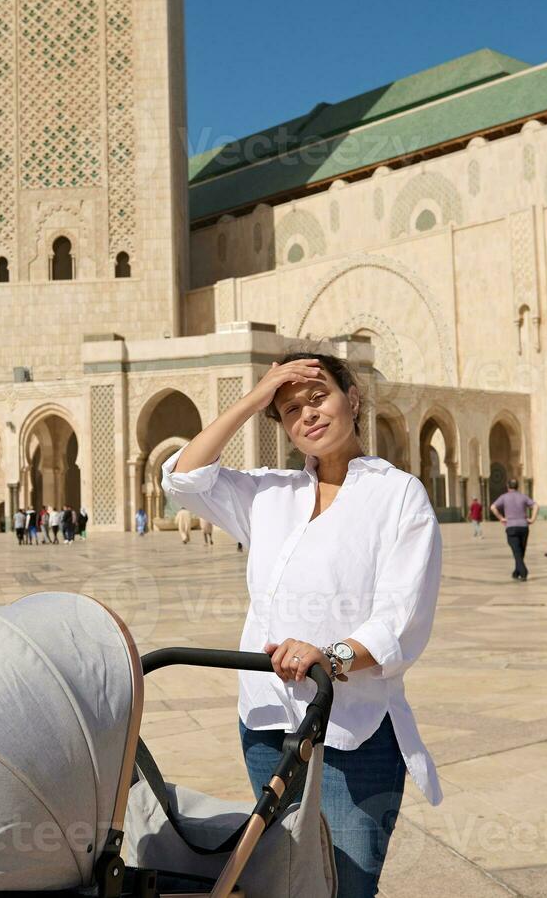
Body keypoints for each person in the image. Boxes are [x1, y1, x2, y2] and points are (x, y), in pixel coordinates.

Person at [162, 353, 441, 898]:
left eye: (319, 398)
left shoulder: (397, 495)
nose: (308, 415)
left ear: (352, 400)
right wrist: (254, 397)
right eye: (291, 410)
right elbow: (183, 480)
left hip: (351, 729)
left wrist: (329, 657)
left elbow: (401, 616)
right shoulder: (270, 494)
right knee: (288, 881)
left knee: (346, 885)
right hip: (266, 722)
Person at [492, 480, 536, 582]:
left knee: (517, 552)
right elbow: (536, 505)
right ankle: (516, 572)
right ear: (518, 486)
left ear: (508, 486)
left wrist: (501, 518)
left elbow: (493, 507)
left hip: (511, 527)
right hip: (524, 527)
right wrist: (532, 519)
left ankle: (523, 572)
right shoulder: (523, 496)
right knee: (521, 551)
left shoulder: (504, 497)